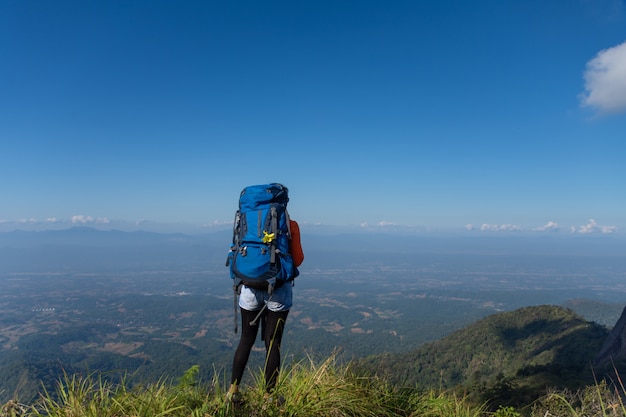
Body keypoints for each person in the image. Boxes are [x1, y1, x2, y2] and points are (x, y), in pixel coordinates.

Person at [227, 219, 304, 403]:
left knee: (246, 339)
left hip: (249, 286)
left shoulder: (247, 222)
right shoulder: (289, 224)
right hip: (278, 288)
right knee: (273, 343)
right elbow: (298, 259)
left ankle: (232, 392)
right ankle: (269, 397)